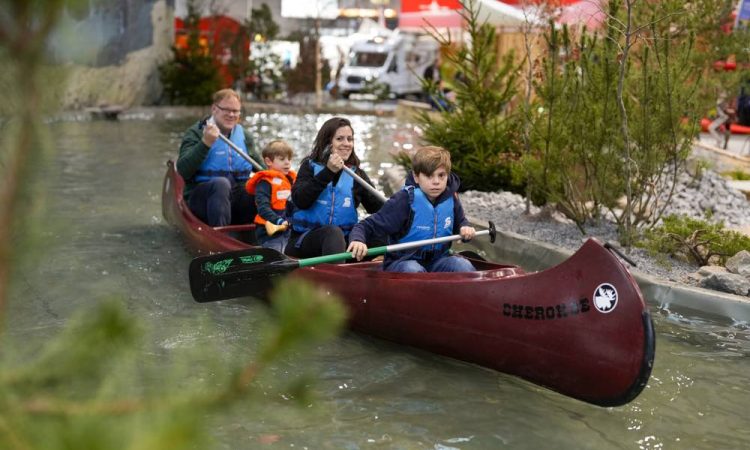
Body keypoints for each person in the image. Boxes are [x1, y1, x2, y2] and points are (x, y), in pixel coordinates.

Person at [346, 146, 477, 273]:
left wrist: (465, 228)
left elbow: (460, 222)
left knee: (462, 265)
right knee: (413, 269)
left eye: (441, 175)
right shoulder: (404, 201)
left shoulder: (451, 197)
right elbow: (366, 225)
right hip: (403, 261)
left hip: (438, 260)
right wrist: (358, 240)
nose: (436, 181)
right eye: (429, 176)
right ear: (416, 177)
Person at [285, 117, 384, 258]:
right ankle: (338, 276)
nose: (346, 144)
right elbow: (300, 200)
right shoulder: (309, 167)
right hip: (305, 241)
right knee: (333, 233)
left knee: (385, 232)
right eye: (340, 139)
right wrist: (328, 172)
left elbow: (379, 208)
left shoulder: (357, 174)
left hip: (343, 243)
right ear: (327, 143)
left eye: (350, 139)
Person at [176, 89, 264, 226]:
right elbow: (182, 171)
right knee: (221, 184)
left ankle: (258, 231)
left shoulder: (245, 136)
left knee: (259, 185)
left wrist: (280, 178)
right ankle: (221, 234)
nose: (231, 115)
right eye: (226, 110)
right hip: (202, 199)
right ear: (214, 109)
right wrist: (205, 144)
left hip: (234, 200)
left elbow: (262, 169)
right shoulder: (195, 133)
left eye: (235, 111)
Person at [245, 140, 297, 252]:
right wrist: (278, 221)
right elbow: (262, 208)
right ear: (268, 161)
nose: (288, 163)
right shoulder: (264, 183)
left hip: (289, 228)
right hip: (269, 230)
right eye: (282, 159)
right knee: (278, 251)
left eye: (289, 159)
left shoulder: (292, 180)